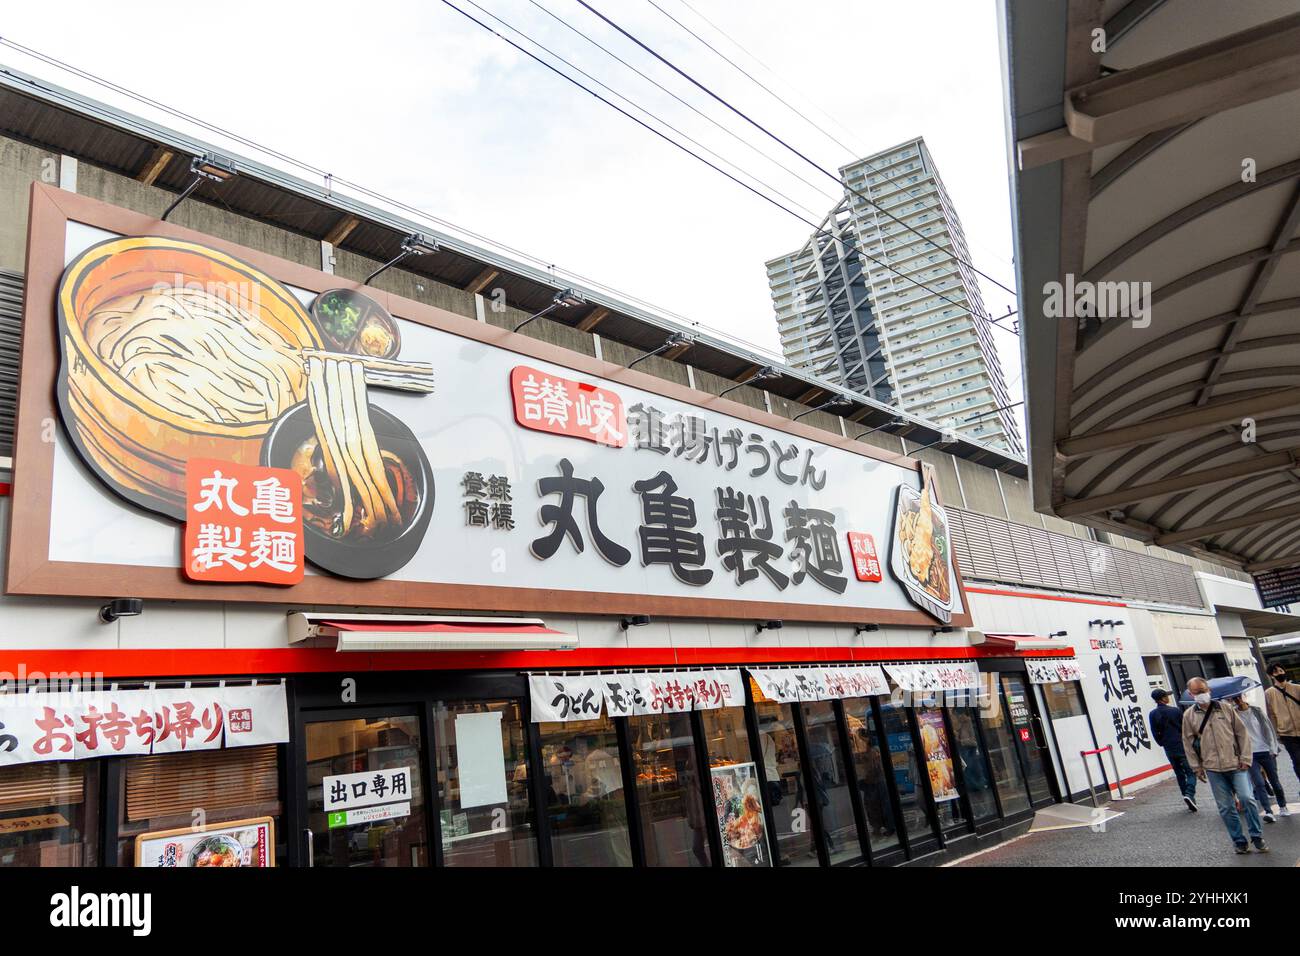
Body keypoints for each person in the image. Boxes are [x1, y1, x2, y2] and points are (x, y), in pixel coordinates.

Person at [1181, 677, 1267, 854]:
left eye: (1203, 690)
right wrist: (1196, 767)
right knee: (1226, 807)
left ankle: (1257, 836)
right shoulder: (1188, 715)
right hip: (1213, 768)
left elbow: (1241, 734)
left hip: (1236, 764)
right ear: (1191, 694)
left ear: (1209, 690)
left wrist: (1245, 758)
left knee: (1247, 799)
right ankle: (1239, 841)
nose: (1201, 695)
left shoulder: (1225, 708)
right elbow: (1188, 743)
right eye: (1197, 693)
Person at [1231, 693, 1289, 821]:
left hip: (1266, 751)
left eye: (1239, 697)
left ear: (1244, 696)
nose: (1238, 700)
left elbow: (1269, 729)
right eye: (1235, 698)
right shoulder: (1233, 715)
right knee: (1258, 783)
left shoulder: (1257, 711)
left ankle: (1283, 806)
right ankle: (1268, 812)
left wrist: (1273, 748)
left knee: (1275, 781)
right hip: (1249, 754)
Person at [1148, 688, 1196, 811]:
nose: (1168, 697)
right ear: (1163, 698)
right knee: (1190, 772)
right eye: (1166, 696)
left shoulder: (1153, 714)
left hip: (1168, 747)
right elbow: (1184, 728)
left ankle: (1187, 797)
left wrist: (1162, 742)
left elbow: (1154, 732)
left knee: (1179, 773)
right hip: (1181, 745)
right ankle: (1189, 794)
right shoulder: (1175, 711)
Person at [1264, 664, 1300, 790]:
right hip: (1286, 733)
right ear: (1271, 675)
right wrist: (1276, 734)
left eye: (1281, 670)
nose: (1279, 673)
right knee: (1297, 760)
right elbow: (1271, 714)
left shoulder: (1297, 688)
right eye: (1275, 672)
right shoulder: (1269, 693)